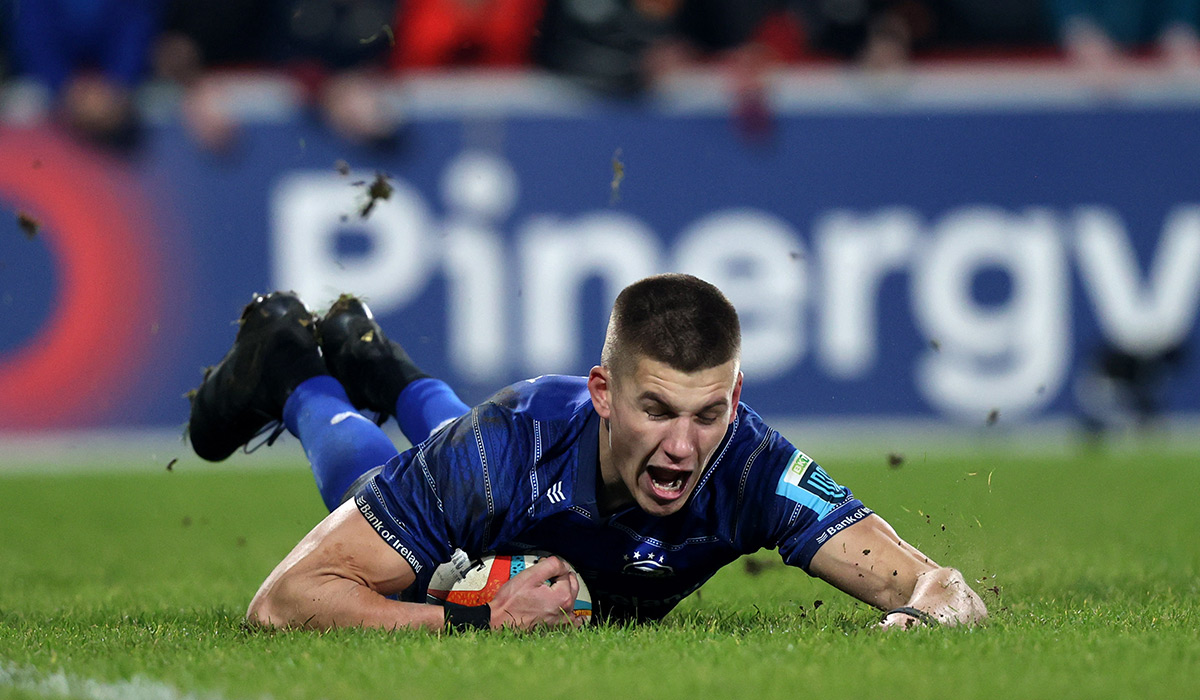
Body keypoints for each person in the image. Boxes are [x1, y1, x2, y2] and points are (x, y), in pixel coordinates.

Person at [188, 274, 987, 631]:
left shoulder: (754, 467)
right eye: (655, 410)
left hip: (491, 482)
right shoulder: (506, 447)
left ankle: (372, 359)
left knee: (448, 478)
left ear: (735, 401)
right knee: (388, 494)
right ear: (603, 393)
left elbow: (937, 585)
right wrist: (476, 624)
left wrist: (925, 620)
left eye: (708, 413)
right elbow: (285, 601)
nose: (683, 446)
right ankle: (293, 370)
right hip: (492, 474)